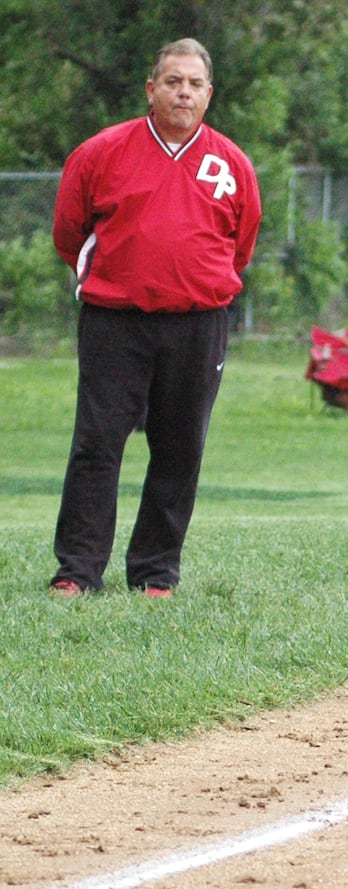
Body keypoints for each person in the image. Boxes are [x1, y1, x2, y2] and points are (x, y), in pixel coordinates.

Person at [47, 38, 262, 598]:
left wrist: (193, 282)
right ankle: (77, 570)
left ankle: (154, 573)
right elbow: (69, 234)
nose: (183, 92)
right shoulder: (101, 153)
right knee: (97, 444)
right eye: (172, 81)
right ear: (151, 88)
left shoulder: (232, 164)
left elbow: (241, 246)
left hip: (198, 324)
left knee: (180, 446)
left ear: (209, 94)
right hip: (115, 321)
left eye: (194, 83)